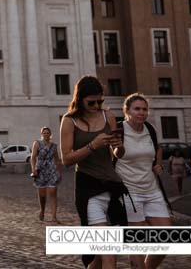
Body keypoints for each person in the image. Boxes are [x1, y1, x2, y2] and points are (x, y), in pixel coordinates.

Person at [59, 75, 126, 269]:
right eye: (91, 102)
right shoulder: (69, 121)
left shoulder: (108, 116)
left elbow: (118, 154)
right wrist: (92, 145)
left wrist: (119, 146)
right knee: (108, 249)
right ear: (80, 99)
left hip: (112, 186)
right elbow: (66, 159)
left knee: (101, 254)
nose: (97, 106)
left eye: (100, 101)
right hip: (89, 189)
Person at [114, 93, 171, 269]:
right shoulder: (119, 130)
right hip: (129, 193)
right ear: (127, 111)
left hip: (152, 190)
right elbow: (111, 157)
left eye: (145, 109)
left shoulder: (150, 129)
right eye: (137, 109)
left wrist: (158, 164)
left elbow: (157, 148)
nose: (142, 112)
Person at [31, 126, 62, 222]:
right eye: (44, 133)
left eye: (47, 133)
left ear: (50, 134)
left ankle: (54, 216)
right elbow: (33, 157)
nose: (46, 134)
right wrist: (33, 169)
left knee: (53, 192)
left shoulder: (54, 146)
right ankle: (42, 210)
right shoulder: (37, 143)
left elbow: (57, 159)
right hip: (40, 169)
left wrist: (59, 172)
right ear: (41, 134)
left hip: (52, 170)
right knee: (42, 194)